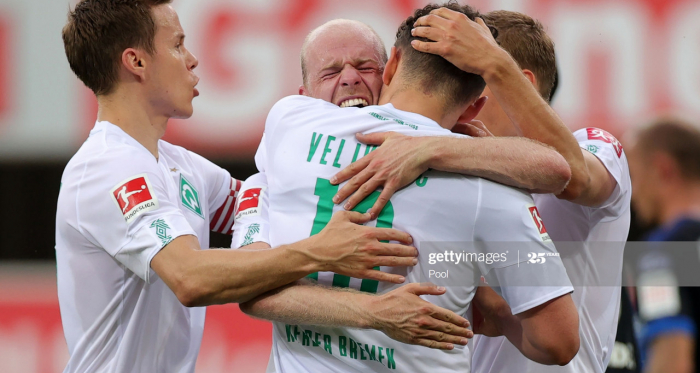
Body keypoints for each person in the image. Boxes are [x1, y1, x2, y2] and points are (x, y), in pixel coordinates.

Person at [55, 1, 450, 372]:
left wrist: (428, 139)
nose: (192, 59)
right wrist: (319, 253)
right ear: (136, 61)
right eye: (177, 45)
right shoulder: (106, 168)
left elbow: (280, 201)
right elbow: (191, 277)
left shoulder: (177, 165)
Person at [238, 3, 580, 372]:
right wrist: (488, 304)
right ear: (473, 108)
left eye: (363, 66)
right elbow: (558, 343)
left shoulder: (289, 120)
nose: (351, 78)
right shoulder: (494, 190)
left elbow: (250, 286)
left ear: (391, 65)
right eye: (334, 70)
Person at [328, 8, 631, 373]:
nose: (453, 96)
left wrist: (429, 146)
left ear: (520, 83)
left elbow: (573, 175)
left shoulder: (596, 147)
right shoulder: (440, 176)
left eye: (470, 78)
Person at [625, 117, 700, 373]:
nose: (630, 194)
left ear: (662, 169)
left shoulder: (660, 254)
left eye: (633, 176)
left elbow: (672, 359)